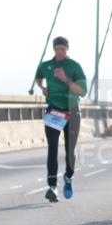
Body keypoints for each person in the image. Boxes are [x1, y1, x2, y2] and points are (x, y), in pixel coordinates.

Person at [34, 36, 87, 202]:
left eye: (63, 49)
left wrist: (65, 79)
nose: (60, 52)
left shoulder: (74, 66)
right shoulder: (46, 65)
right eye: (57, 49)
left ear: (67, 49)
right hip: (54, 111)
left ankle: (68, 177)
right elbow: (38, 76)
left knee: (70, 150)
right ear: (54, 49)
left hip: (72, 112)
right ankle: (52, 187)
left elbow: (82, 91)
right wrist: (43, 88)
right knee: (52, 149)